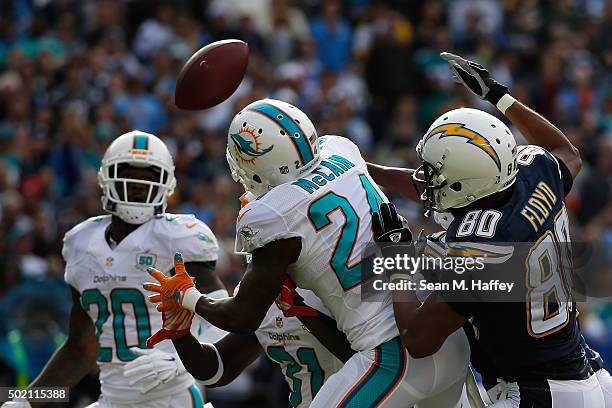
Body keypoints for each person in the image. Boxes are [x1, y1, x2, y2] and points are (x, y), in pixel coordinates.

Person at [143, 98, 471, 407]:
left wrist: (188, 297)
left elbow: (242, 316)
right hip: (443, 335)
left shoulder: (274, 219)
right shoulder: (342, 151)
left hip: (392, 356)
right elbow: (220, 363)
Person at [368, 52, 607, 407]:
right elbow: (565, 150)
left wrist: (396, 256)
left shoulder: (484, 248)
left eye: (432, 172)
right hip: (587, 372)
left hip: (539, 392)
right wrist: (498, 95)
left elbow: (417, 338)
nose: (425, 181)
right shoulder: (532, 173)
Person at [2, 131, 228, 408]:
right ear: (106, 178)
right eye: (128, 173)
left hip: (172, 398)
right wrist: (26, 401)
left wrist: (184, 360)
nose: (137, 184)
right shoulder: (81, 242)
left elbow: (223, 317)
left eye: (148, 176)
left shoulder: (179, 237)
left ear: (165, 184)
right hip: (111, 399)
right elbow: (80, 350)